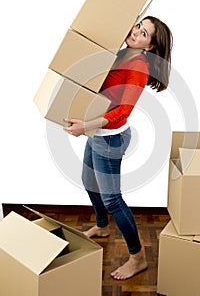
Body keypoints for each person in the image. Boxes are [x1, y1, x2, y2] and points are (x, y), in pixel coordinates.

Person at [64, 16, 173, 280]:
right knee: (88, 181)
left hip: (109, 138)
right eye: (138, 26)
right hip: (98, 132)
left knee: (113, 199)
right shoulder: (122, 52)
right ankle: (102, 227)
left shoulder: (138, 66)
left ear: (150, 47)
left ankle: (138, 258)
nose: (136, 32)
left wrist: (86, 125)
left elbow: (123, 111)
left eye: (144, 33)